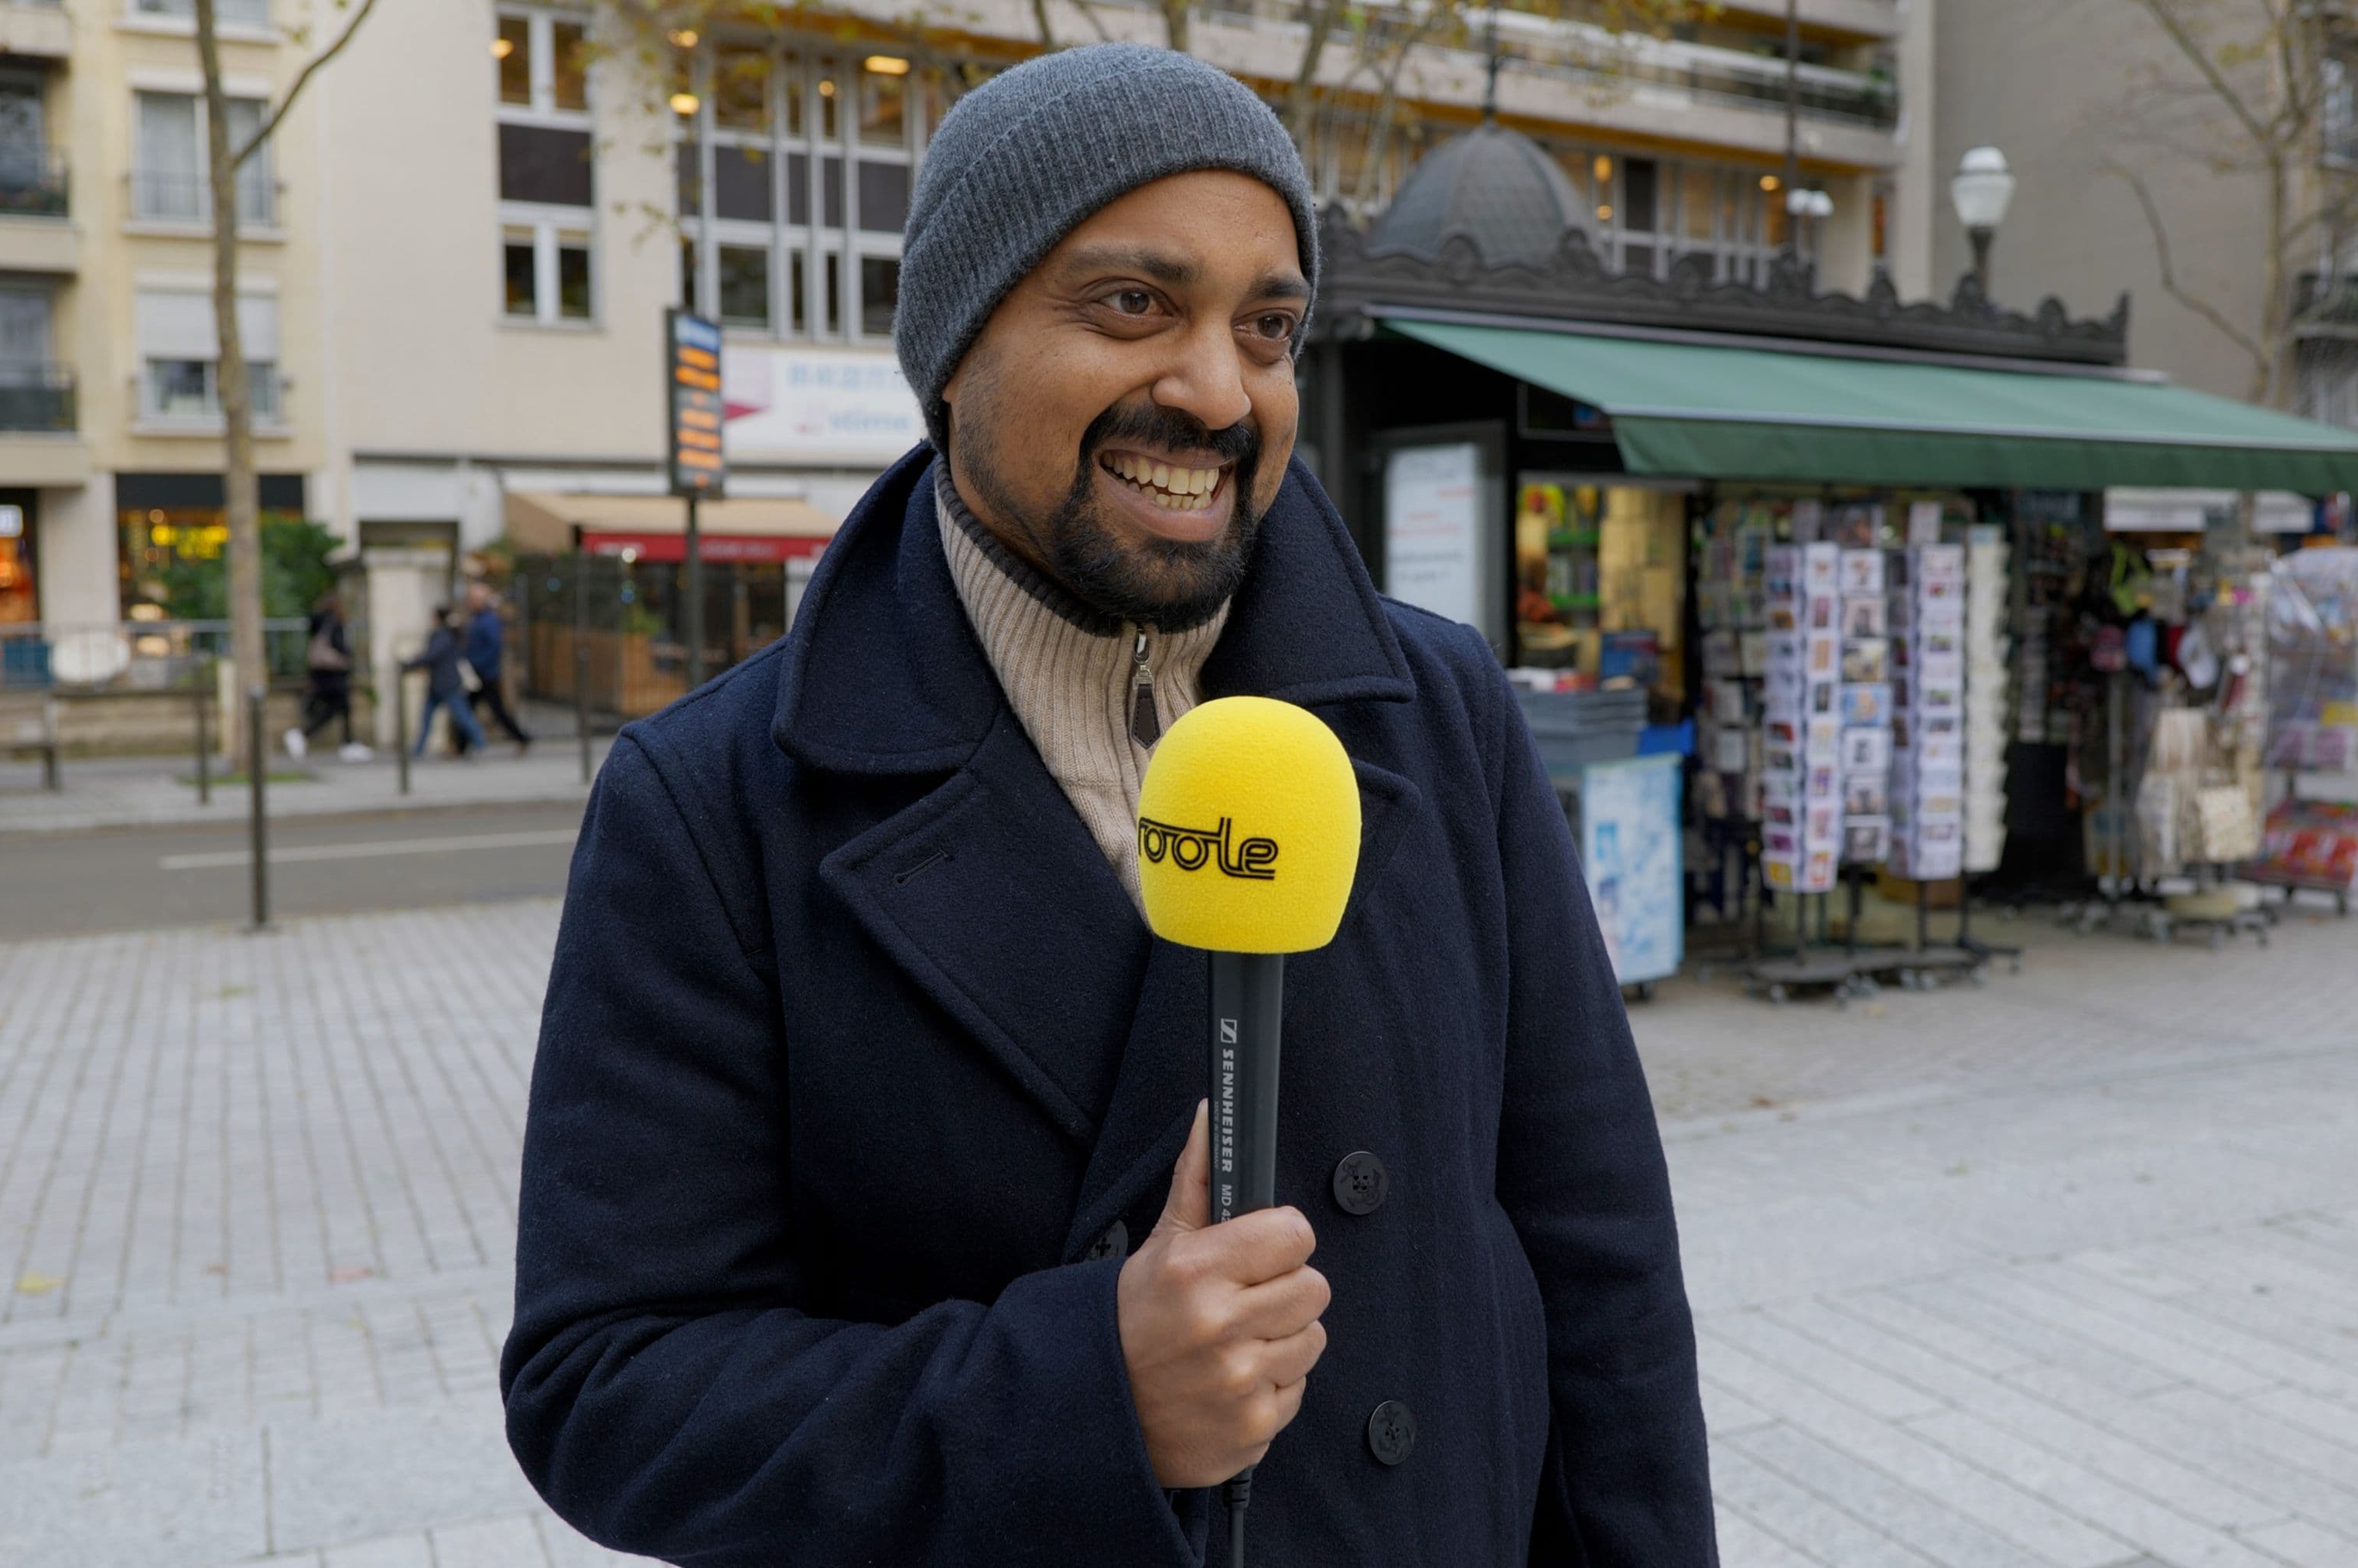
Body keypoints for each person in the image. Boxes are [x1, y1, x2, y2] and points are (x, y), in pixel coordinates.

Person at [501, 43, 1717, 1568]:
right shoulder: (712, 800)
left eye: (1264, 327)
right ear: (953, 346)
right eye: (1133, 305)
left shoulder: (1442, 713)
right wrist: (1082, 1391)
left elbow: (1599, 1266)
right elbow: (604, 1387)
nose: (1216, 390)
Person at [283, 590, 367, 763]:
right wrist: (346, 659)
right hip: (333, 675)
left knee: (342, 709)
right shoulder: (333, 622)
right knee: (336, 709)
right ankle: (303, 735)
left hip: (321, 675)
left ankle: (347, 743)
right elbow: (340, 647)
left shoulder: (318, 622)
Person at [460, 583, 532, 753]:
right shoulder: (477, 618)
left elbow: (494, 646)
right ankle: (460, 745)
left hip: (485, 673)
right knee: (468, 708)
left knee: (493, 710)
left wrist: (478, 664)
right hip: (477, 672)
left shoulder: (488, 620)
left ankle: (521, 737)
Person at [404, 606, 483, 759]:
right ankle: (418, 750)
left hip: (447, 684)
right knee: (427, 719)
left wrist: (409, 664)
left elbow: (430, 655)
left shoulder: (444, 636)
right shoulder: (444, 635)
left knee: (463, 716)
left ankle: (481, 742)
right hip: (439, 685)